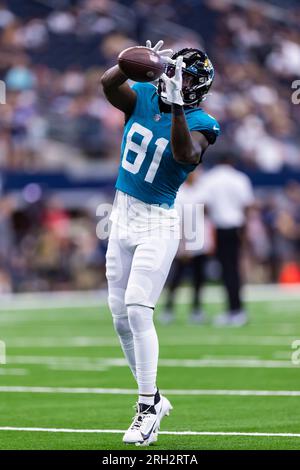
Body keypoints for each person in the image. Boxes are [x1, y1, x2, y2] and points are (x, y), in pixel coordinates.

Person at [101, 40, 220, 446]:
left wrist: (175, 108)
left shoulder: (204, 122)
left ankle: (146, 410)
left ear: (196, 87)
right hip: (120, 218)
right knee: (118, 316)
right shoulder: (146, 94)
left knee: (137, 309)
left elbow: (185, 155)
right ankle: (154, 396)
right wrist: (130, 62)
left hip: (158, 223)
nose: (174, 77)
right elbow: (108, 85)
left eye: (182, 75)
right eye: (173, 70)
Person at [201, 152, 254, 326]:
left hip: (219, 228)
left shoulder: (210, 179)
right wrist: (244, 231)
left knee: (226, 271)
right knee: (234, 270)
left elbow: (205, 206)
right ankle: (236, 309)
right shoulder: (240, 178)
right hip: (236, 227)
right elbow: (247, 206)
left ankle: (234, 310)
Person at [159, 170, 215, 325]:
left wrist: (209, 241)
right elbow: (178, 221)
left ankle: (196, 309)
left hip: (201, 242)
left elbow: (206, 218)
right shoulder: (180, 193)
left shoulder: (202, 191)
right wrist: (184, 245)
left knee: (199, 279)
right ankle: (168, 309)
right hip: (185, 243)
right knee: (176, 278)